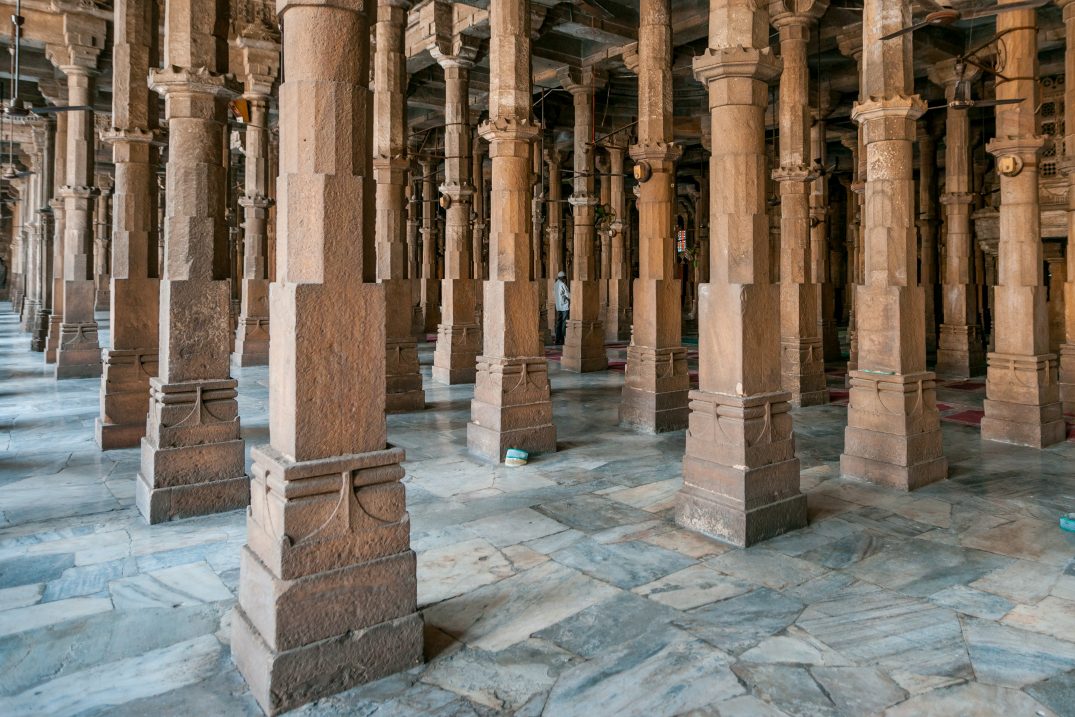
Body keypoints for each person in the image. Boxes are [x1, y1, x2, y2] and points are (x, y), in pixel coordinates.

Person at [554, 270, 569, 345]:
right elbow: (568, 295)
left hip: (558, 307)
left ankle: (557, 339)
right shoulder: (562, 284)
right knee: (564, 323)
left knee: (558, 323)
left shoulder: (555, 284)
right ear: (563, 278)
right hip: (564, 307)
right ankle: (563, 339)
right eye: (564, 278)